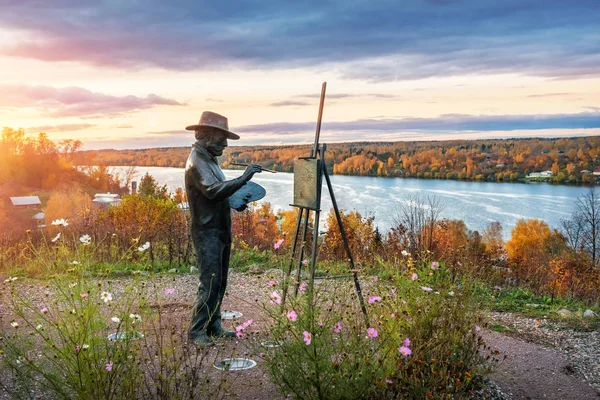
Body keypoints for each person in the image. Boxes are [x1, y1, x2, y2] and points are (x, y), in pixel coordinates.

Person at [184, 111, 262, 347]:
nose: (225, 145)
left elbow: (217, 195)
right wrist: (243, 179)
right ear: (206, 135)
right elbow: (212, 190)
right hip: (207, 232)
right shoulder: (197, 161)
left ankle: (213, 324)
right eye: (221, 139)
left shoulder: (209, 158)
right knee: (209, 283)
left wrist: (235, 201)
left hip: (219, 229)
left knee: (220, 282)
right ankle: (197, 331)